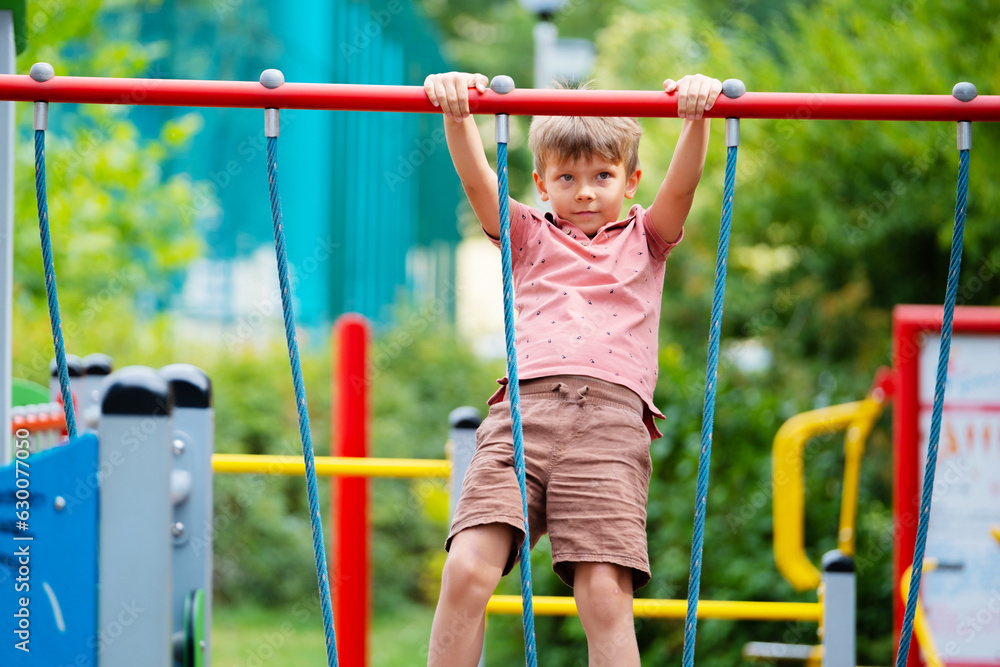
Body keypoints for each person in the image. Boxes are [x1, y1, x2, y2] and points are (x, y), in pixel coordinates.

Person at [422, 71, 722, 667]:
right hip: (523, 418)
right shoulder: (528, 234)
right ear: (541, 184)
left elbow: (683, 191)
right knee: (465, 571)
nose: (585, 192)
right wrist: (458, 114)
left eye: (602, 177)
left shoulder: (645, 238)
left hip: (610, 424)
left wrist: (698, 118)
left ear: (630, 180)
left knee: (605, 595)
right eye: (566, 178)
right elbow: (478, 182)